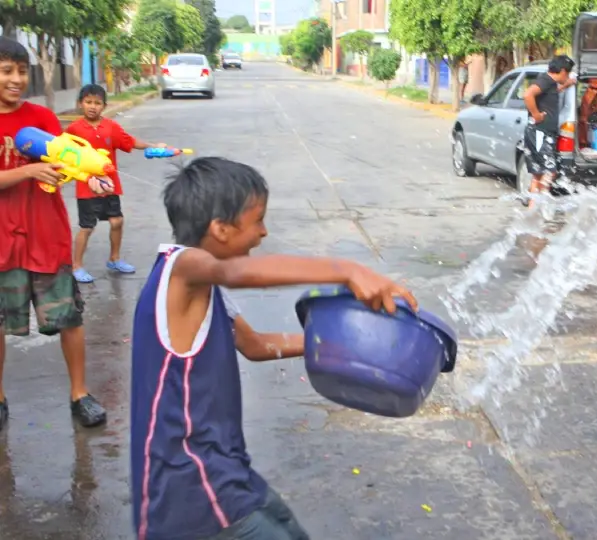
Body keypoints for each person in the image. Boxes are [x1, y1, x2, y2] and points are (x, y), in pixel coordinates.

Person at [131, 156, 417, 539]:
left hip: (225, 469)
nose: (264, 232)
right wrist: (347, 270)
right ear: (220, 228)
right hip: (189, 487)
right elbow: (235, 273)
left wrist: (336, 346)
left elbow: (255, 344)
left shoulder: (204, 287)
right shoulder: (185, 270)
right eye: (258, 220)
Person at [0, 37, 112, 432]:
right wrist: (28, 171)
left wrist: (87, 174)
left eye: (21, 71)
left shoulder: (42, 119)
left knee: (69, 319)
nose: (16, 79)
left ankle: (80, 394)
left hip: (46, 236)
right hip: (2, 242)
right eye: (6, 71)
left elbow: (65, 160)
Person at [66, 84, 166, 283]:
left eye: (97, 103)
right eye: (88, 102)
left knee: (117, 221)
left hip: (110, 186)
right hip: (87, 187)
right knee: (87, 227)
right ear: (80, 104)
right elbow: (63, 153)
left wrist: (152, 146)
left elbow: (129, 141)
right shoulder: (73, 129)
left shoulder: (111, 127)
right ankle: (76, 266)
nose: (92, 107)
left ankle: (114, 258)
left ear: (104, 105)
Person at [521, 55, 576, 208]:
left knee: (537, 174)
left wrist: (565, 86)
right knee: (550, 171)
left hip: (538, 133)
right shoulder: (545, 80)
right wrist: (536, 114)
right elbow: (528, 94)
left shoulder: (549, 82)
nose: (568, 76)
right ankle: (542, 204)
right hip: (539, 133)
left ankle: (533, 209)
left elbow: (550, 93)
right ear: (563, 71)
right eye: (568, 73)